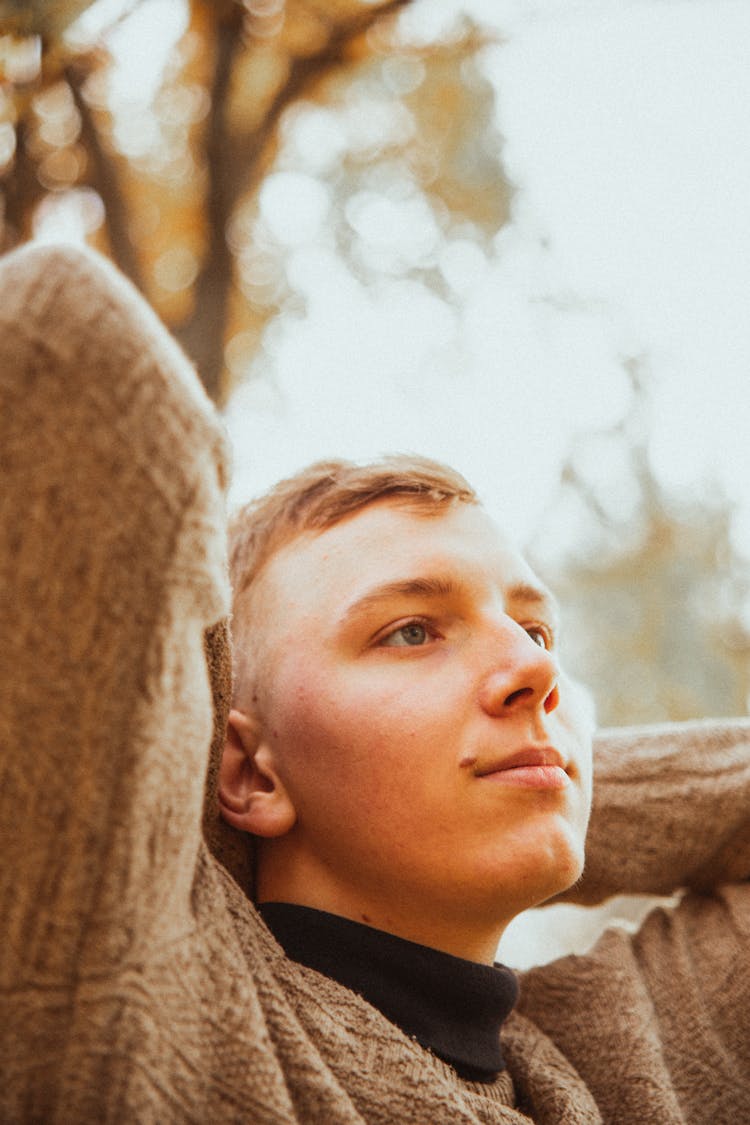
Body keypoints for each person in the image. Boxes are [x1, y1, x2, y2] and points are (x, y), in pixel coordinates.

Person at [1, 241, 749, 1125]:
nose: (539, 670)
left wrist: (553, 775)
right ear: (244, 771)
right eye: (411, 630)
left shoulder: (632, 1048)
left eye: (535, 628)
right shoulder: (154, 999)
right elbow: (56, 333)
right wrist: (181, 804)